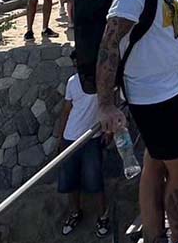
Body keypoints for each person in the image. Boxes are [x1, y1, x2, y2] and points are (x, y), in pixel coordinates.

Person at [97, 0, 178, 243]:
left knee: (154, 163)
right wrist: (106, 104)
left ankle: (155, 236)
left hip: (170, 90)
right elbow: (109, 44)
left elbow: (168, 36)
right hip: (150, 98)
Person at [55, 65, 110, 238]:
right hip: (70, 137)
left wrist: (108, 130)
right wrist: (60, 137)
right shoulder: (72, 82)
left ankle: (103, 216)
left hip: (91, 138)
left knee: (95, 180)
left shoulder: (102, 81)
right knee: (70, 180)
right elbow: (66, 110)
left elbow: (110, 104)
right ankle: (75, 213)